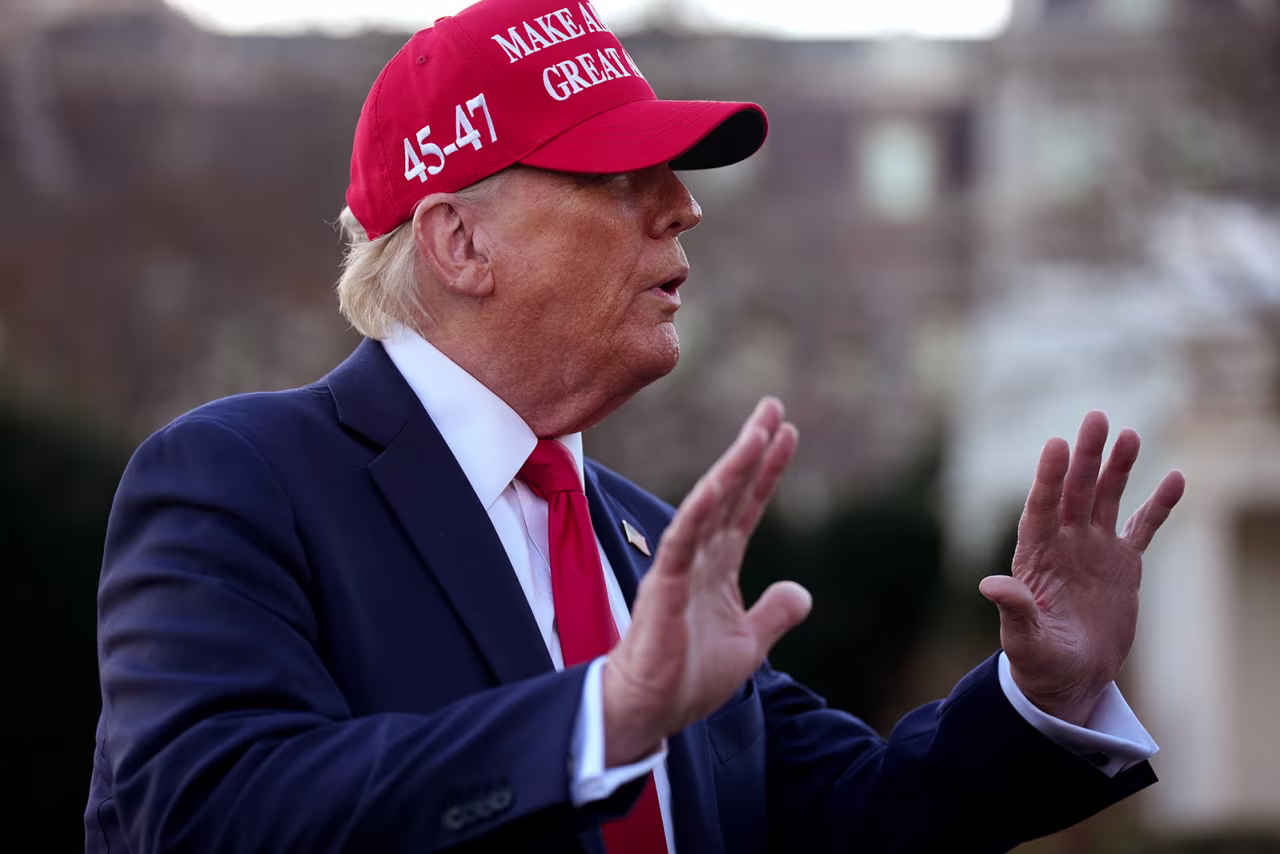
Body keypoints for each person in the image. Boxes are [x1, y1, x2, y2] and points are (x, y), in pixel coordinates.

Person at [84, 0, 1186, 851]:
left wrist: (1038, 699)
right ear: (458, 242)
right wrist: (596, 720)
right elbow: (205, 809)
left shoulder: (647, 541)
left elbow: (849, 818)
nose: (683, 204)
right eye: (617, 174)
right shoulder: (237, 477)